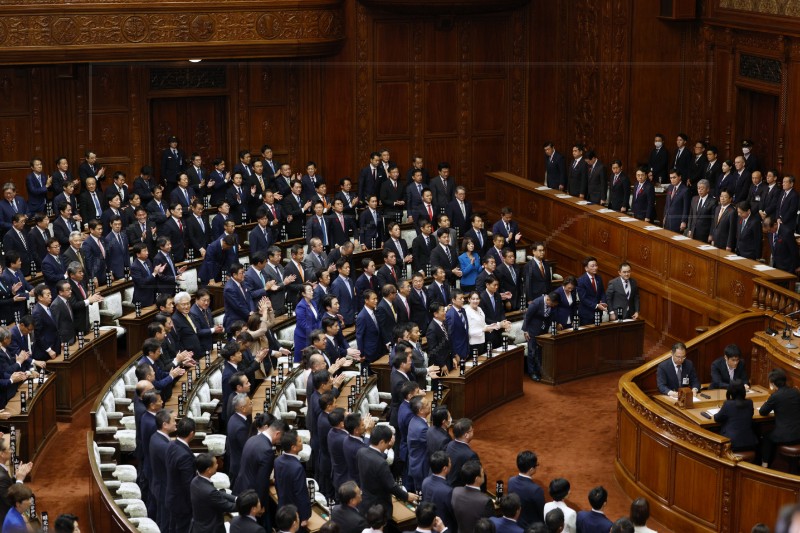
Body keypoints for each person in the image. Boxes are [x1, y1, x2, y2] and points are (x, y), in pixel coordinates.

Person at [760, 368, 800, 467]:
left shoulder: (775, 396)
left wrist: (767, 401)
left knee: (766, 436)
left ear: (772, 383)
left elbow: (763, 412)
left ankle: (765, 464)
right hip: (798, 433)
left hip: (786, 436)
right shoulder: (795, 392)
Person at [189, 453, 237, 533]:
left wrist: (235, 498)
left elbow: (217, 493)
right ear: (209, 470)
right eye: (216, 463)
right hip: (211, 529)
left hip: (199, 527)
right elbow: (228, 506)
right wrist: (246, 504)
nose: (217, 465)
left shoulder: (195, 481)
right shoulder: (210, 492)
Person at [274, 430, 311, 528]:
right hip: (295, 513)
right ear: (293, 447)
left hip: (282, 507)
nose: (302, 442)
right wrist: (304, 517)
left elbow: (277, 485)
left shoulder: (278, 461)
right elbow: (301, 493)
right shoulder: (297, 467)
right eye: (299, 441)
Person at [713, 379, 759, 455]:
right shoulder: (750, 403)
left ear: (730, 391)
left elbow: (717, 418)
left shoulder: (728, 404)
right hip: (749, 441)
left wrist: (720, 411)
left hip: (732, 443)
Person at [523, 292, 560, 381]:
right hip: (532, 330)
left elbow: (550, 316)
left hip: (543, 331)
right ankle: (532, 372)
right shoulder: (536, 303)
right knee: (532, 352)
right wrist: (525, 330)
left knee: (540, 352)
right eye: (551, 304)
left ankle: (539, 371)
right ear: (548, 299)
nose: (552, 306)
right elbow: (527, 316)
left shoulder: (551, 304)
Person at [451, 460, 493, 533]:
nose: (484, 474)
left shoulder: (455, 491)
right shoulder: (485, 501)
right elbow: (489, 526)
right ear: (477, 479)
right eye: (482, 472)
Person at [507, 450, 544, 527]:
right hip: (531, 528)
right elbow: (542, 513)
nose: (537, 466)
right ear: (531, 469)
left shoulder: (511, 481)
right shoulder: (536, 490)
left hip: (516, 523)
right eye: (536, 465)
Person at [576, 256, 607, 326]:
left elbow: (602, 292)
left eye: (596, 265)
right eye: (592, 266)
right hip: (586, 314)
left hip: (598, 313)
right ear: (586, 268)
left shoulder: (599, 278)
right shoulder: (581, 280)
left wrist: (603, 302)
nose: (595, 268)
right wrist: (596, 305)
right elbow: (583, 299)